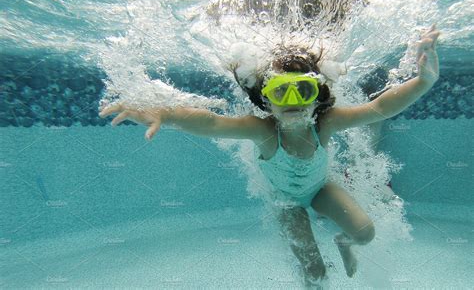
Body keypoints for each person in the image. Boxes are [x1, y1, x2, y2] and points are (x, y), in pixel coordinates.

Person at [99, 25, 440, 287]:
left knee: (365, 233)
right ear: (266, 98)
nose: (292, 100)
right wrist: (166, 114)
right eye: (281, 91)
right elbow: (211, 121)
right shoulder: (262, 130)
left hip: (321, 189)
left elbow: (379, 107)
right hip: (286, 202)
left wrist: (424, 81)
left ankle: (343, 241)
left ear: (318, 95)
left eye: (303, 89)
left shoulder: (327, 122)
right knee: (314, 270)